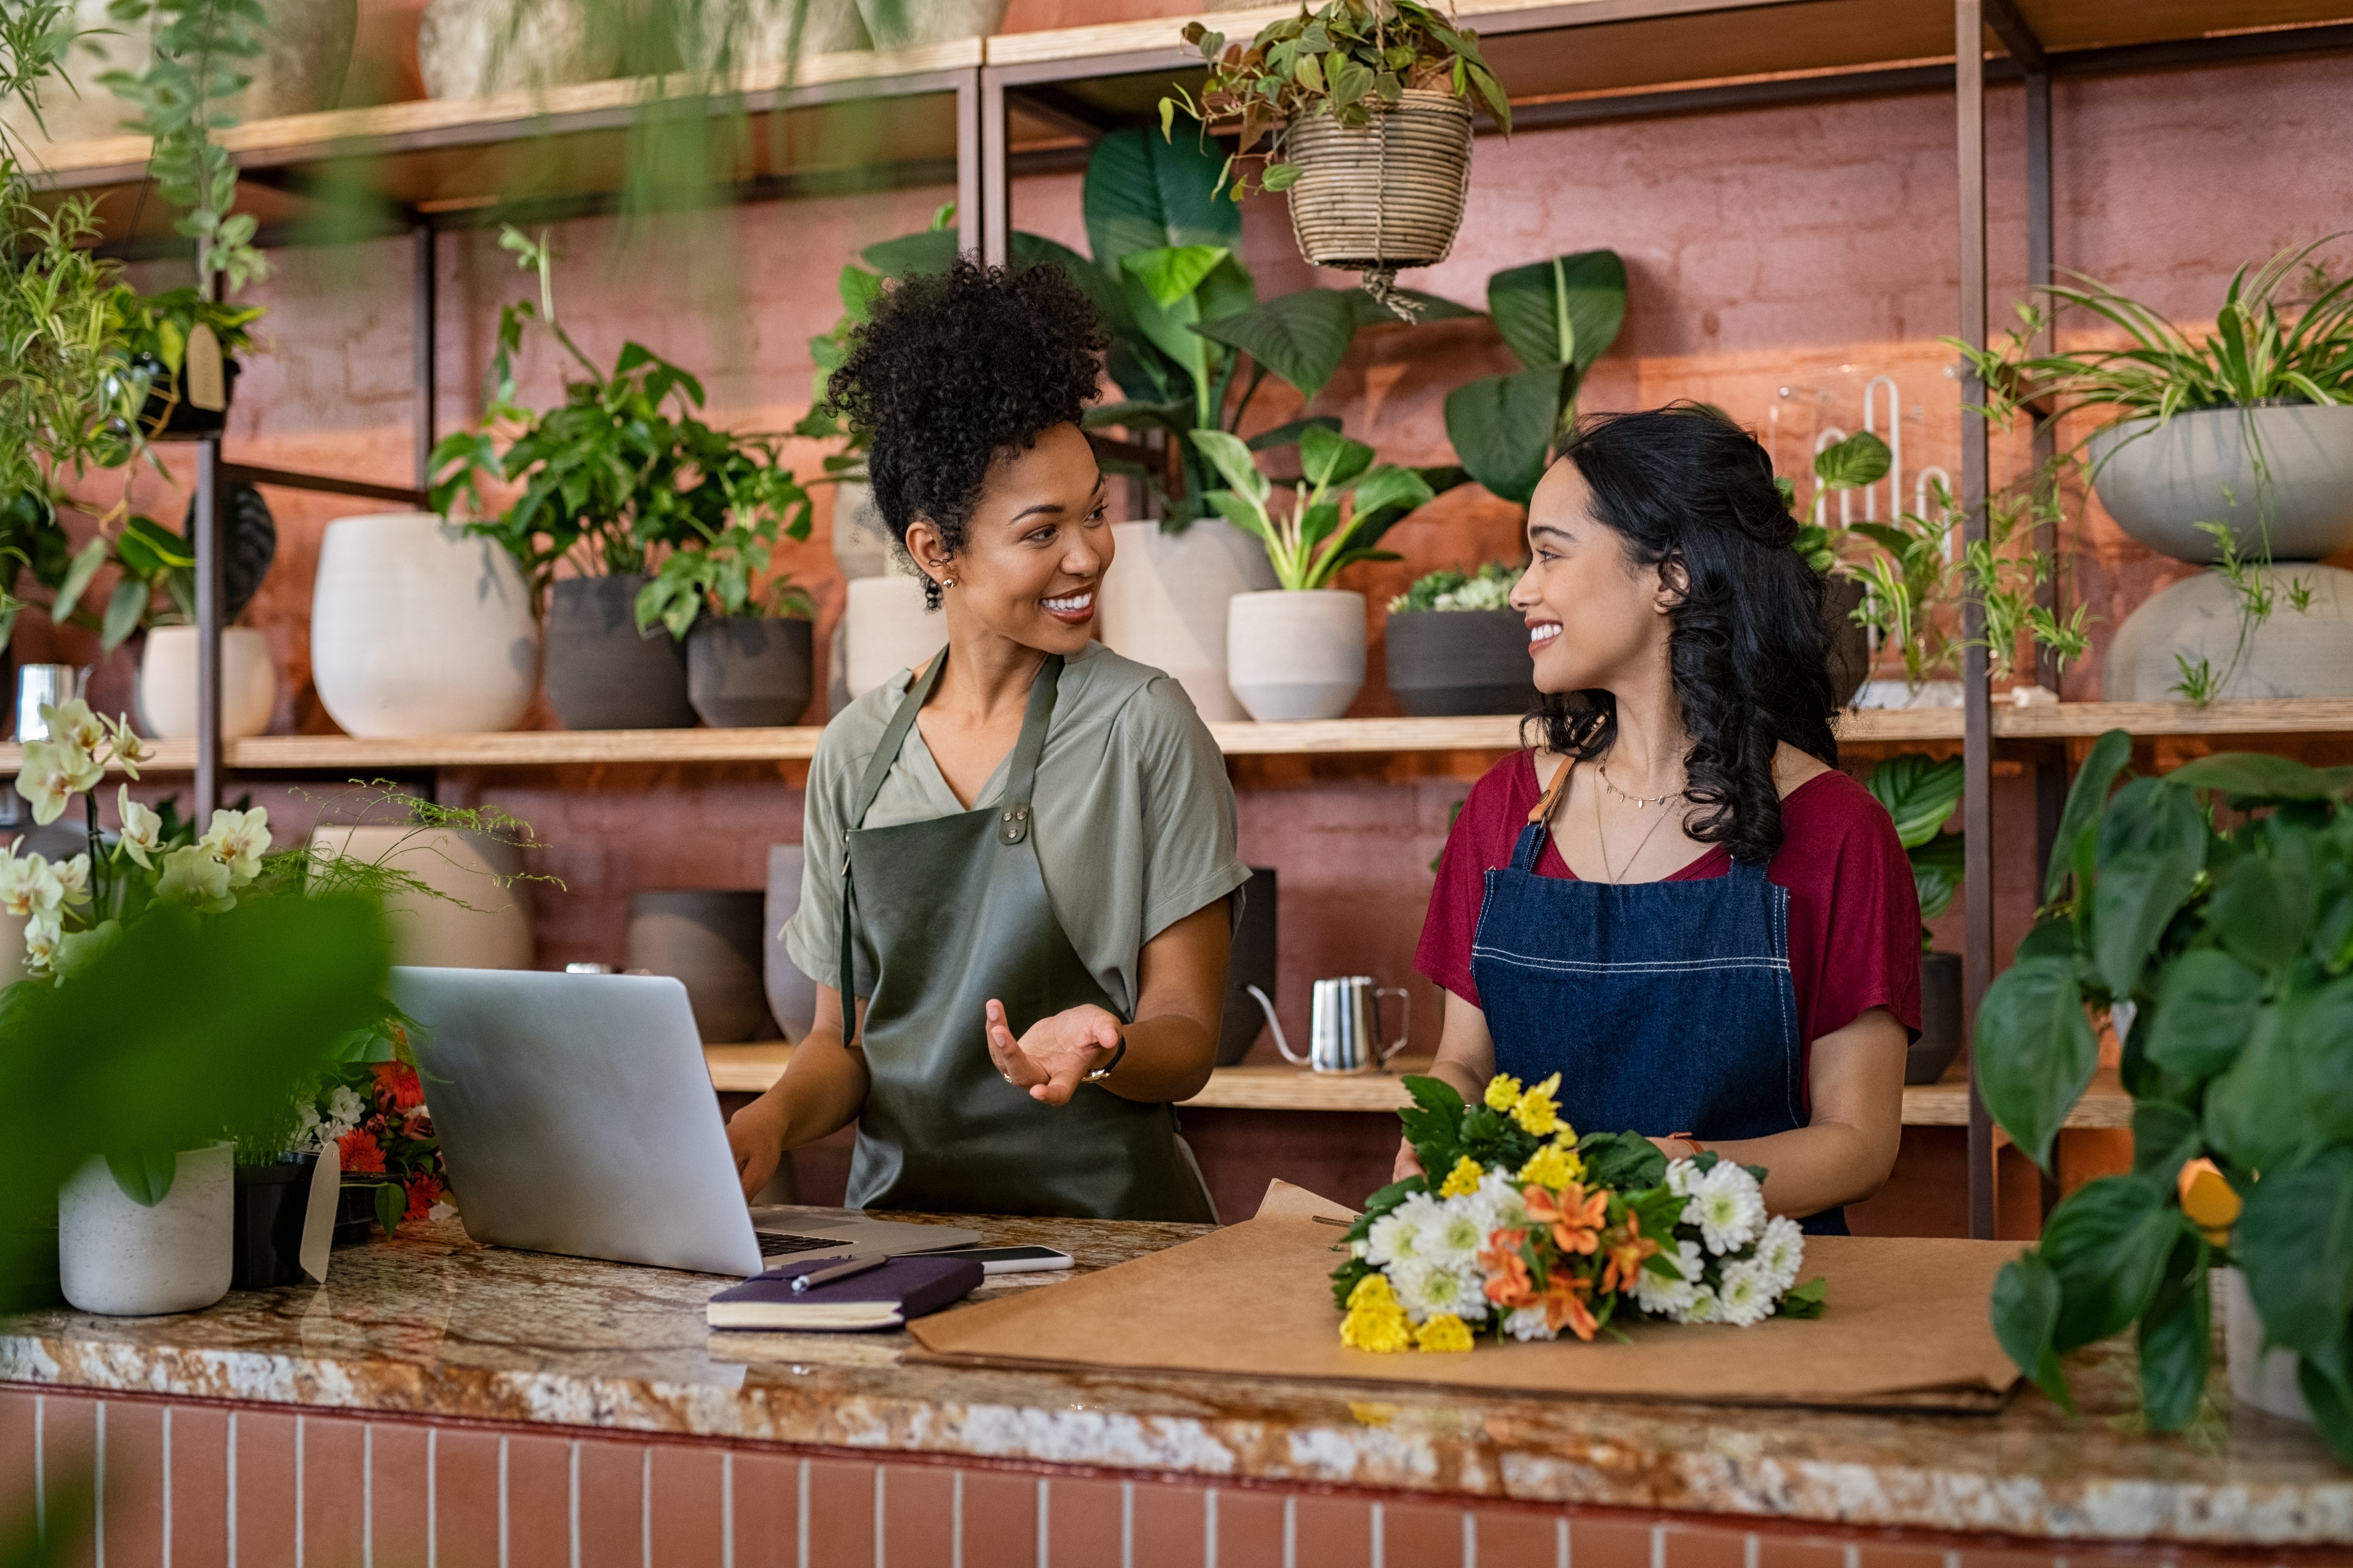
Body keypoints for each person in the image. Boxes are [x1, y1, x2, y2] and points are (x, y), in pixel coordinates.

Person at [726, 258, 1246, 1223]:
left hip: (1112, 1240)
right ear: (938, 551)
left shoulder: (1146, 726)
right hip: (902, 1241)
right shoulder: (856, 751)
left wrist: (1110, 1043)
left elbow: (1188, 1031)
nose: (1087, 554)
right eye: (1041, 530)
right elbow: (843, 1046)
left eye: (1094, 511)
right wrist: (768, 1121)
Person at [1408, 406, 1920, 1234]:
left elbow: (1859, 1143)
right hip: (1534, 1284)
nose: (1519, 589)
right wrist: (1434, 1138)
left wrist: (1672, 1182)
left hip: (1749, 1300)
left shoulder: (1836, 830)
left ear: (1671, 577)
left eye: (1549, 553)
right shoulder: (1505, 810)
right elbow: (1465, 1061)